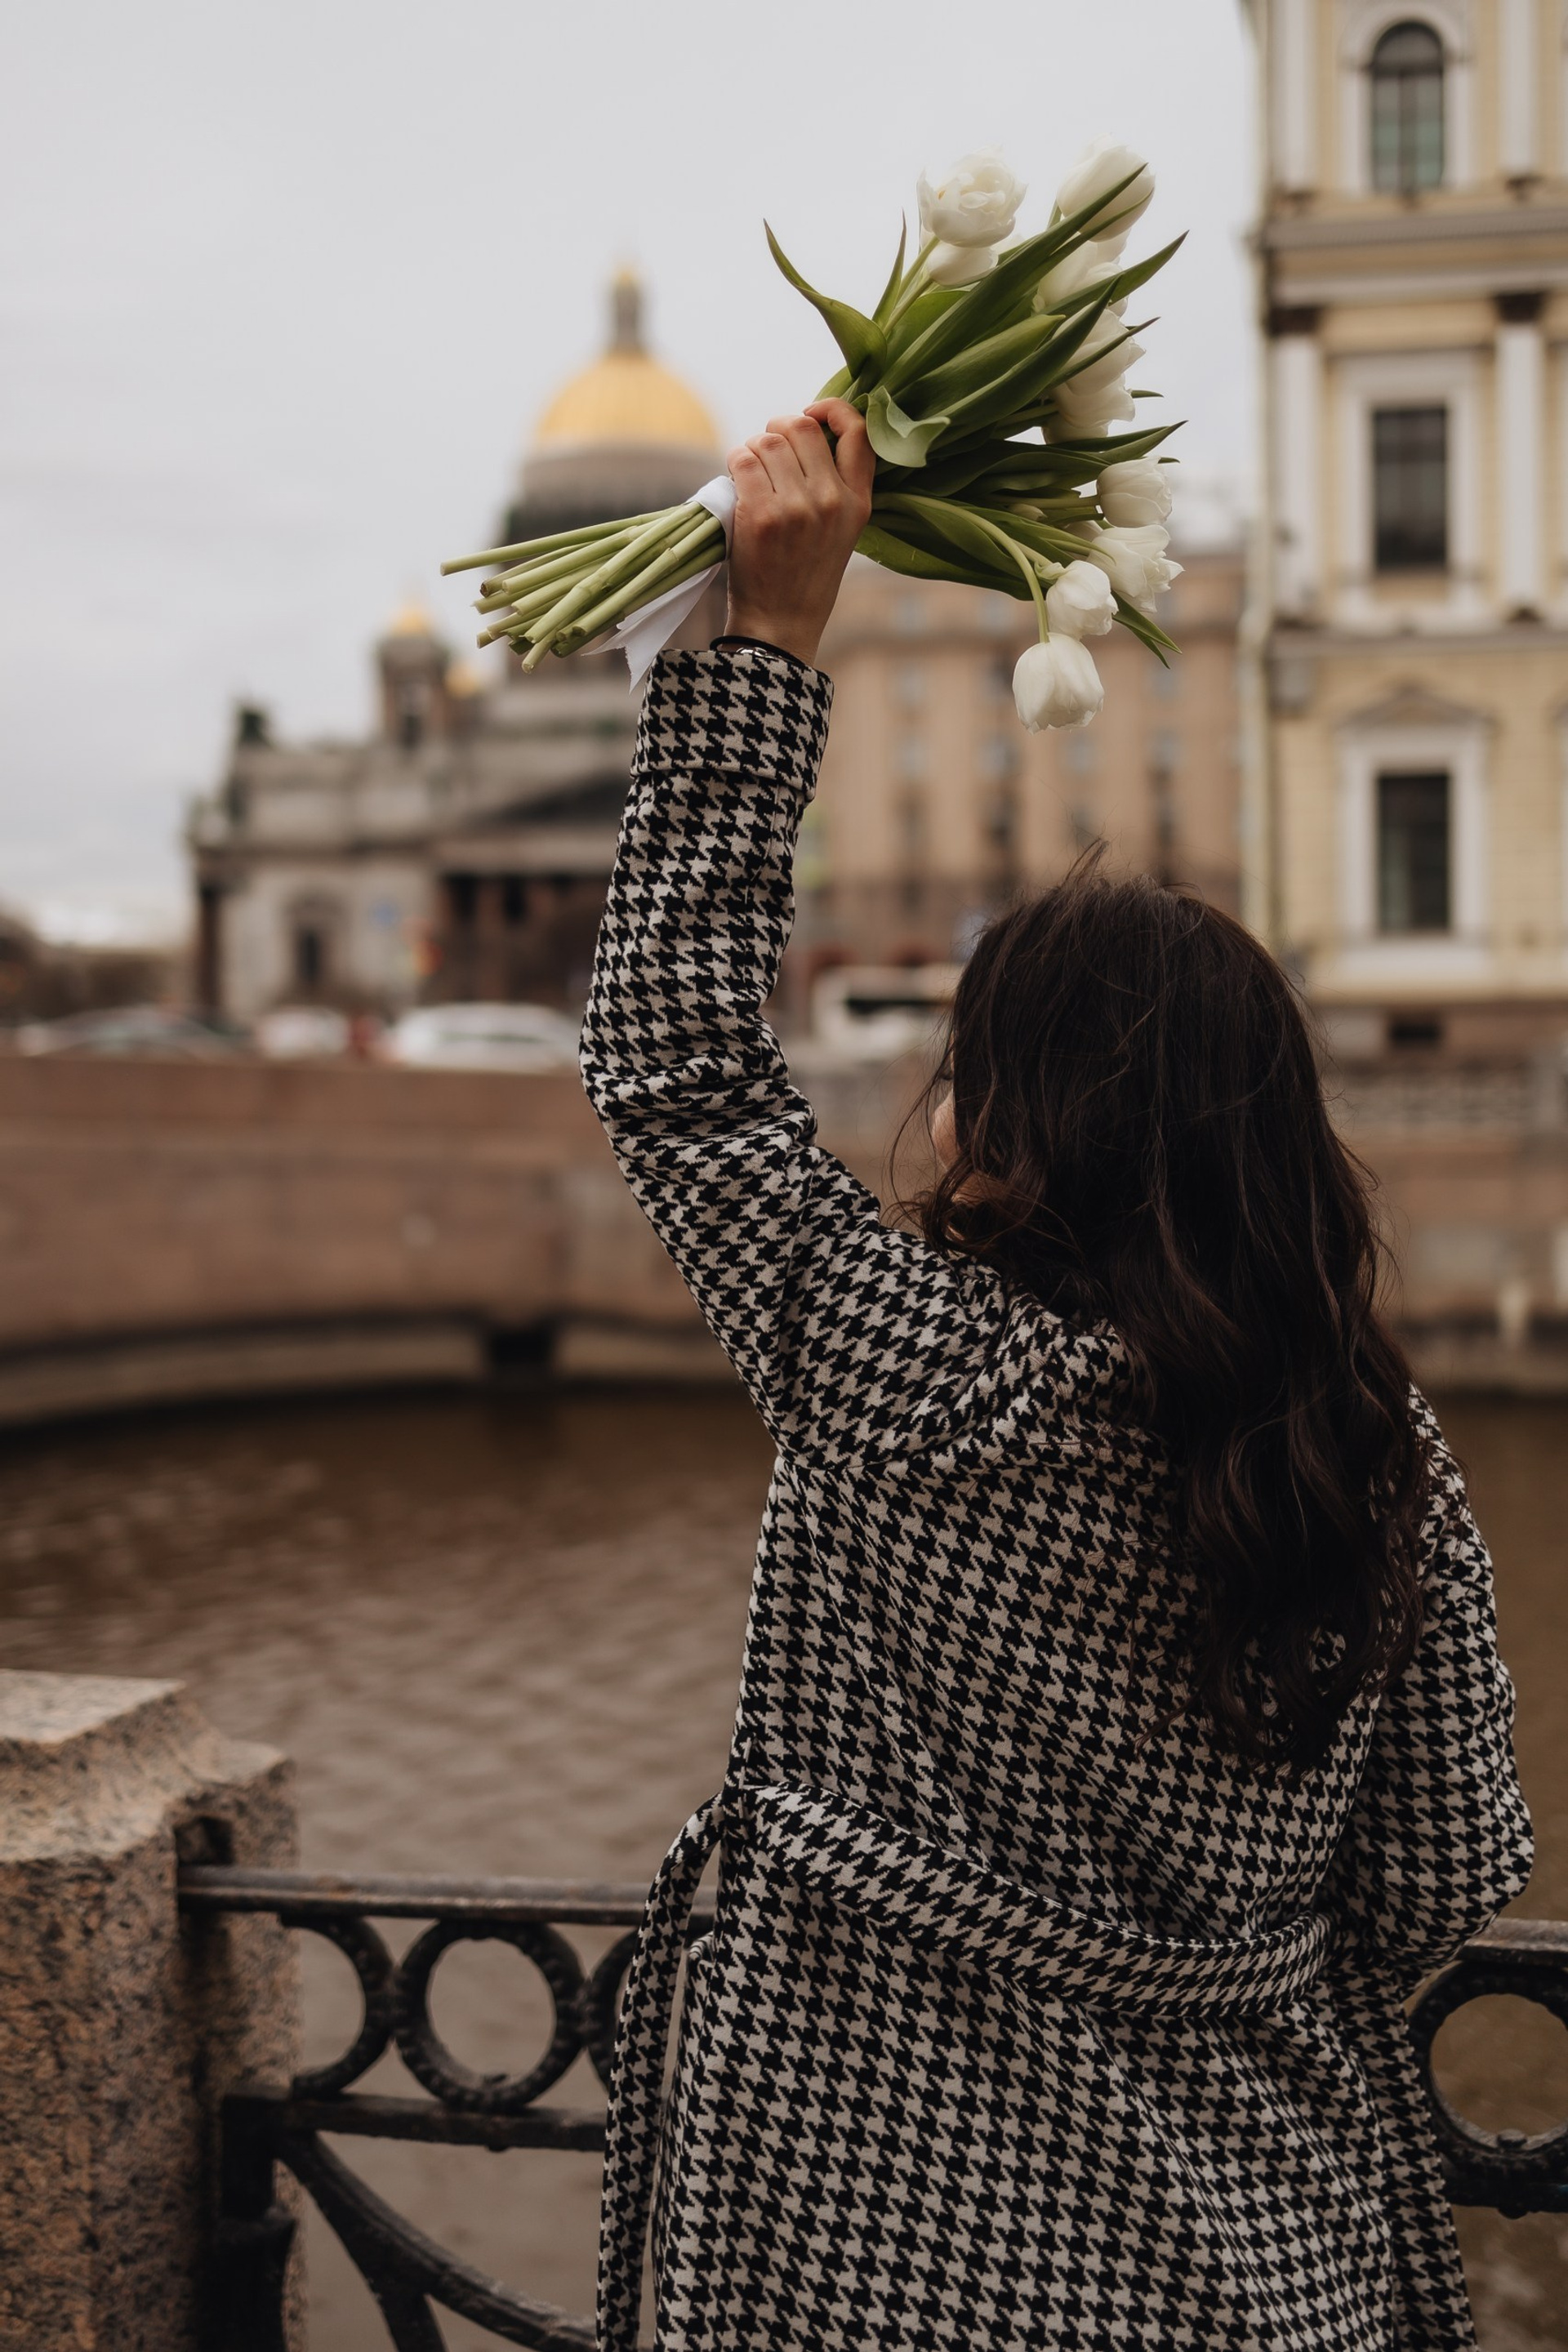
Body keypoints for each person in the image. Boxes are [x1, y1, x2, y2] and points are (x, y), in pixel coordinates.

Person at [580, 397, 1532, 2352]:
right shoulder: (1377, 1443)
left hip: (872, 2237)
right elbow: (1443, 1869)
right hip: (1266, 2250)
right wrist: (1191, 1966)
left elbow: (677, 1057)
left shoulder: (908, 1371)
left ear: (1011, 1114)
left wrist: (767, 642)